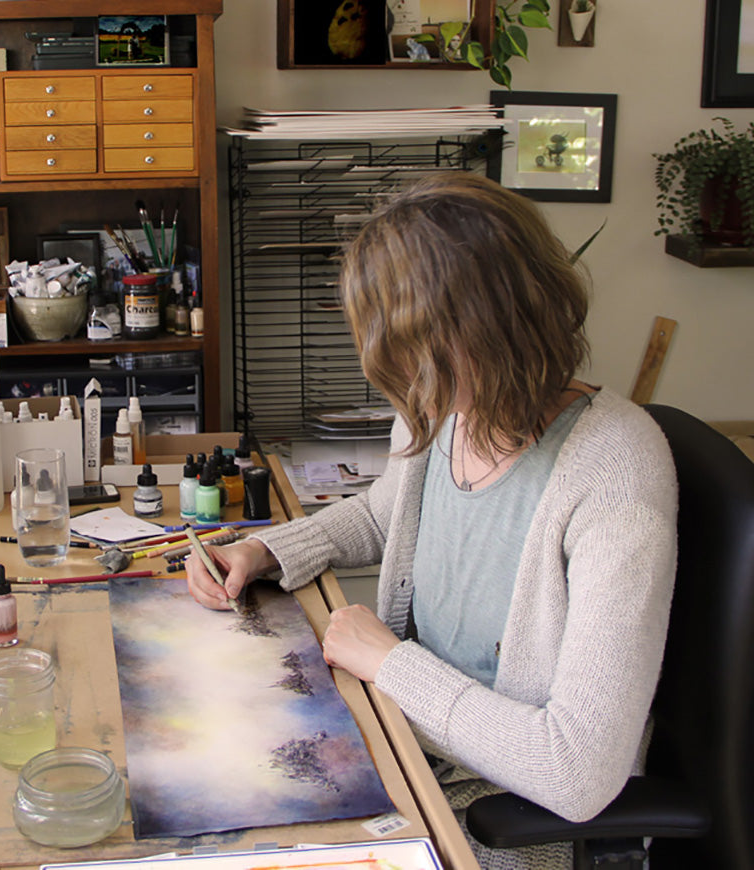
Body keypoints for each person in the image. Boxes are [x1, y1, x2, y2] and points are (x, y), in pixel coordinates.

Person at [186, 172, 677, 869]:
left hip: (507, 816)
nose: (409, 383)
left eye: (423, 351)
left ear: (503, 322)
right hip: (402, 745)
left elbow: (577, 772)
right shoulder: (446, 402)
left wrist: (390, 662)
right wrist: (263, 550)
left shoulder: (615, 473)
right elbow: (391, 514)